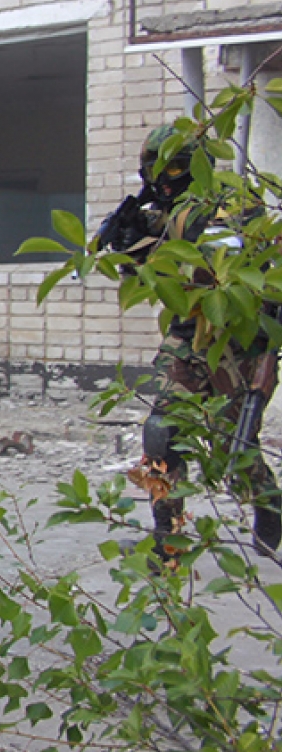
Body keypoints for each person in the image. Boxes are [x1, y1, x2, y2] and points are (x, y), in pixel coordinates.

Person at [96, 125, 281, 556]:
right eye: (155, 169)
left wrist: (154, 248)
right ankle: (168, 539)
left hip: (234, 342)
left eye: (175, 168)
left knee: (231, 446)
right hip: (184, 337)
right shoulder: (159, 210)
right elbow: (151, 285)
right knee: (161, 433)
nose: (164, 179)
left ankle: (269, 506)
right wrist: (130, 249)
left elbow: (217, 271)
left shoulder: (232, 202)